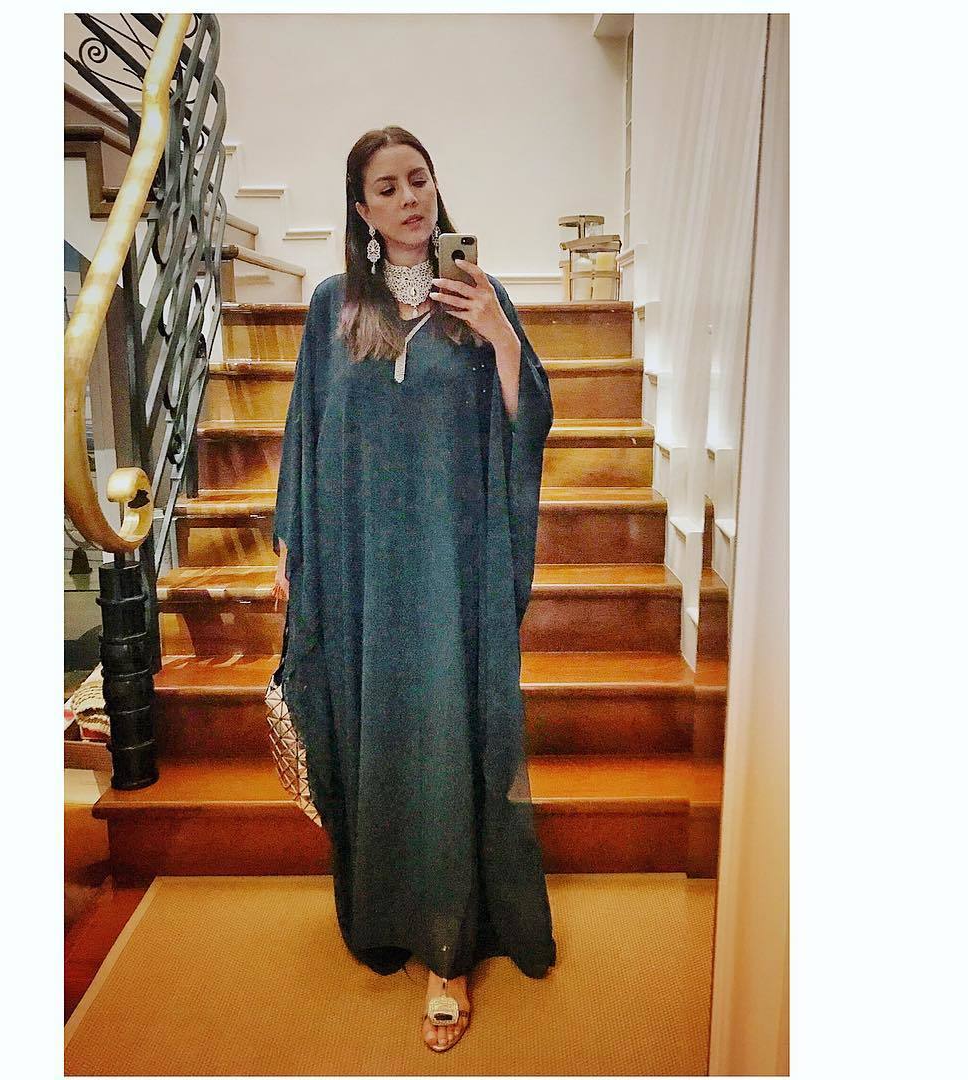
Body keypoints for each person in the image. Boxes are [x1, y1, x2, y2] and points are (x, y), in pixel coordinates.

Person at [269, 126, 556, 1053]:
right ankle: (388, 912)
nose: (408, 199)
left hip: (452, 568)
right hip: (358, 570)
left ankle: (448, 949)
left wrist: (498, 333)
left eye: (419, 180)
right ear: (361, 208)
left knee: (445, 738)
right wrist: (291, 548)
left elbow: (526, 420)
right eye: (386, 187)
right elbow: (307, 434)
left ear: (437, 188)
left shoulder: (480, 298)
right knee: (375, 733)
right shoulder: (332, 306)